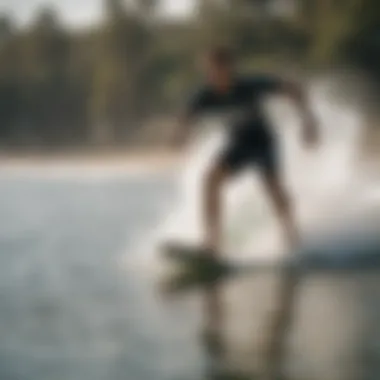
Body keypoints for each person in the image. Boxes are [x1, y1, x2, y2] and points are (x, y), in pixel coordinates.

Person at [174, 46, 318, 257]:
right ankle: (212, 244)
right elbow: (186, 115)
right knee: (210, 179)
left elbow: (294, 89)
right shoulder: (205, 95)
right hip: (238, 145)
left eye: (218, 70)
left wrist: (308, 121)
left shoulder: (250, 85)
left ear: (229, 68)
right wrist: (181, 134)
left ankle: (292, 237)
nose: (213, 76)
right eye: (210, 71)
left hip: (263, 143)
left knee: (273, 187)